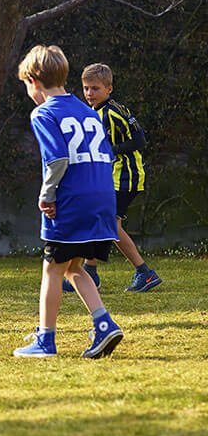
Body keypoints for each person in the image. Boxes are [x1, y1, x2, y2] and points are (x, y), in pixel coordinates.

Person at [13, 44, 123, 359]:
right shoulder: (89, 112)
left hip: (71, 200)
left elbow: (57, 160)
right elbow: (106, 157)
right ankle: (104, 324)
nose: (28, 93)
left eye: (25, 86)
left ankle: (45, 341)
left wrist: (47, 195)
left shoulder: (43, 113)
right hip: (102, 196)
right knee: (74, 266)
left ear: (34, 80)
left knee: (52, 269)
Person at [64, 63, 162, 293]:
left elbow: (139, 141)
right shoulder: (93, 113)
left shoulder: (113, 112)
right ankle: (90, 271)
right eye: (86, 88)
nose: (89, 93)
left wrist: (111, 151)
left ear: (108, 89)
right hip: (110, 178)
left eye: (95, 88)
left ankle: (144, 273)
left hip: (126, 176)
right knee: (97, 219)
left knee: (109, 223)